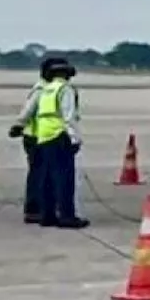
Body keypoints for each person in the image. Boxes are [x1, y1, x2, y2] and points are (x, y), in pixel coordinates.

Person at [17, 59, 88, 228]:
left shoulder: (46, 89)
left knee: (46, 179)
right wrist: (75, 139)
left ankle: (47, 215)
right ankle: (66, 216)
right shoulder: (65, 89)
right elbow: (68, 117)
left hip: (44, 137)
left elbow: (32, 111)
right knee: (64, 179)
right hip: (60, 136)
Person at [6, 58, 58, 224]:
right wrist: (18, 125)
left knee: (42, 173)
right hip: (35, 137)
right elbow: (28, 110)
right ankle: (34, 209)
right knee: (38, 174)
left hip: (41, 136)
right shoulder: (42, 89)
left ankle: (41, 206)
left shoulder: (48, 88)